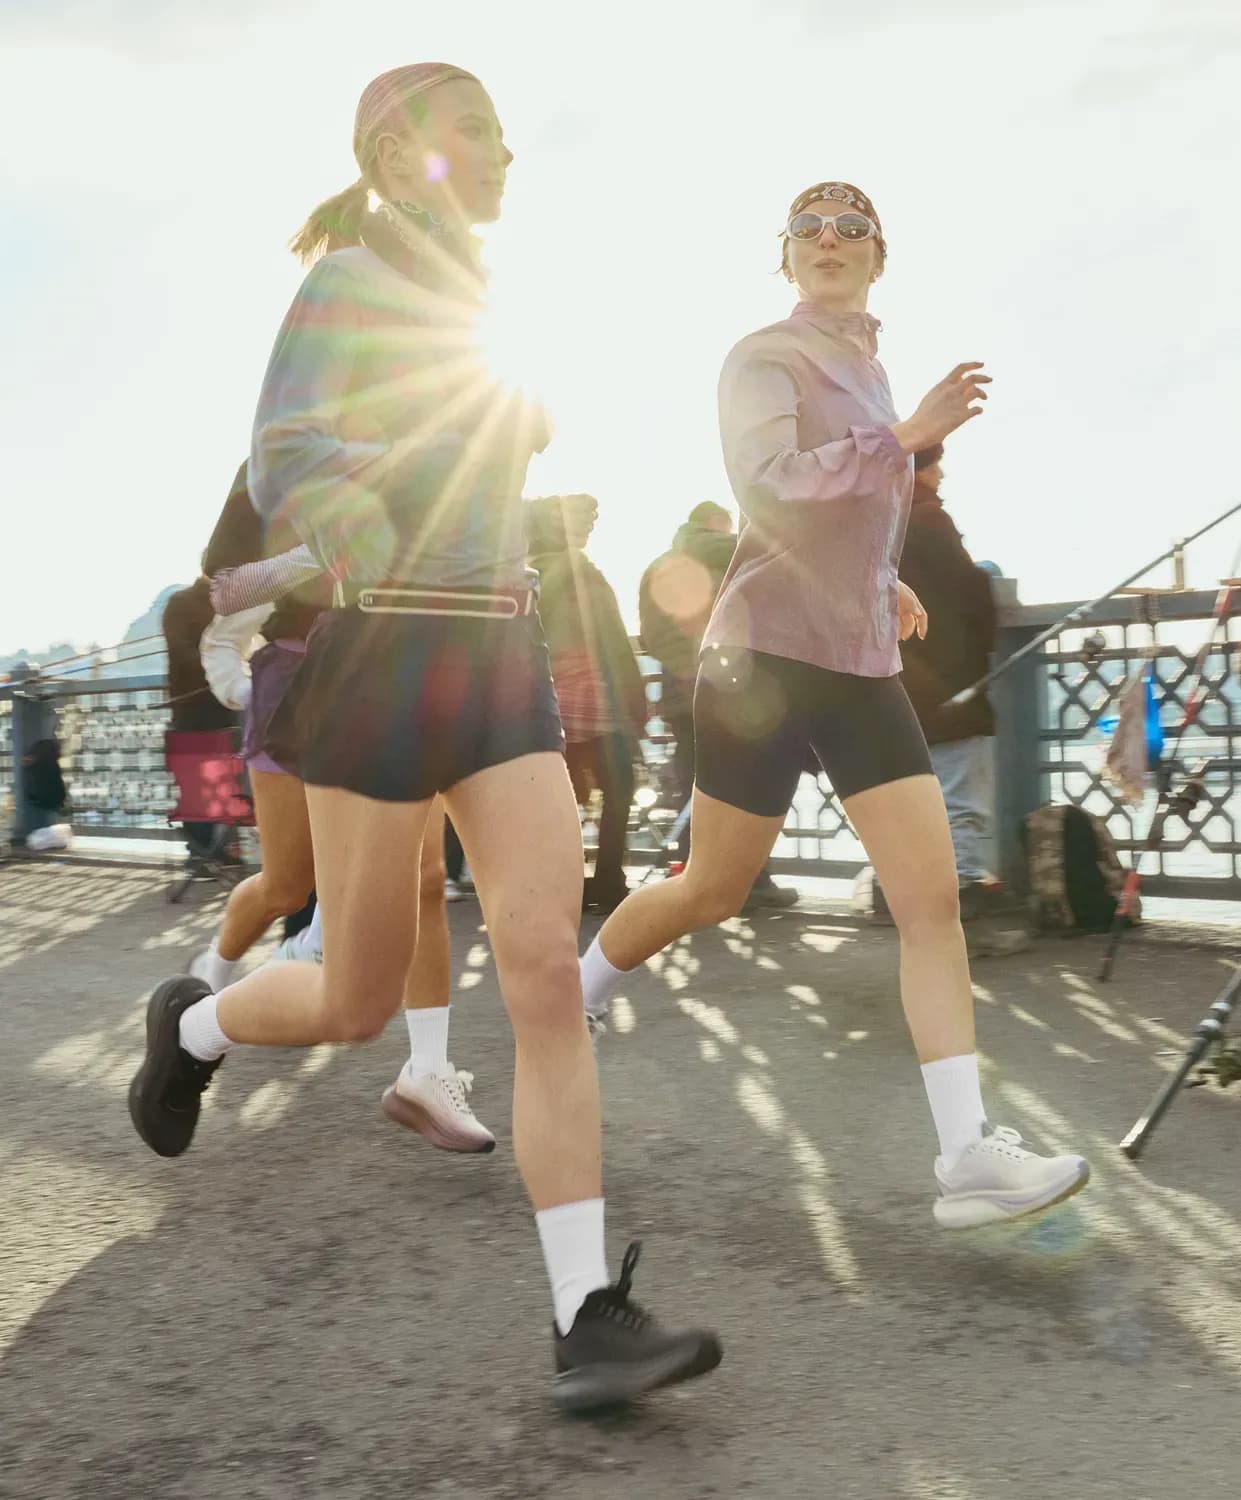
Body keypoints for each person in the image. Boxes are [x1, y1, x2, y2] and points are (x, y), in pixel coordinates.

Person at [126, 63, 720, 1409]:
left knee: (541, 971)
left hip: (494, 651)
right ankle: (201, 1025)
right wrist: (350, 505)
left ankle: (587, 1316)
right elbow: (282, 451)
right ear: (399, 154)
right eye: (477, 133)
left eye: (507, 135)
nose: (504, 152)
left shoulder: (483, 300)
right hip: (377, 653)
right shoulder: (344, 285)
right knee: (352, 994)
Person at [578, 180, 1089, 1230]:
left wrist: (879, 576)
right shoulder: (762, 355)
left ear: (877, 255)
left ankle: (963, 1155)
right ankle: (570, 998)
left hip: (856, 664)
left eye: (849, 228)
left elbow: (843, 512)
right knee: (709, 888)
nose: (827, 240)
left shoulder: (868, 367)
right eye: (806, 229)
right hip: (762, 659)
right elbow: (766, 483)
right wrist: (899, 440)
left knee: (929, 900)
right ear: (783, 256)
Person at [202, 511, 494, 1150]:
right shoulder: (280, 452)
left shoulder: (417, 445)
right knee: (287, 884)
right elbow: (223, 583)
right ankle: (204, 993)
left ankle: (427, 1068)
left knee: (425, 877)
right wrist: (334, 539)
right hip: (290, 677)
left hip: (390, 665)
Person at [638, 502, 796, 910]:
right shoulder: (732, 548)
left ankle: (695, 878)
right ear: (717, 523)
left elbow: (651, 638)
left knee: (697, 782)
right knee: (746, 783)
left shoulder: (657, 566)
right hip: (725, 685)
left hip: (677, 695)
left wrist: (681, 664)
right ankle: (753, 880)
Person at [527, 493, 646, 913]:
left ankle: (559, 881)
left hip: (544, 704)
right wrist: (636, 704)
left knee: (560, 799)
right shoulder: (585, 577)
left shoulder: (527, 577)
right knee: (618, 792)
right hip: (594, 704)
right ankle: (608, 879)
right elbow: (613, 641)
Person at [897, 444, 1000, 918]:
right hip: (950, 686)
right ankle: (963, 905)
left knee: (909, 805)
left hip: (900, 689)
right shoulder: (929, 521)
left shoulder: (881, 525)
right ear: (923, 470)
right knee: (958, 802)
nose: (942, 474)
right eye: (935, 465)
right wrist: (985, 581)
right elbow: (969, 594)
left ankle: (895, 891)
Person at [160, 578, 243, 863]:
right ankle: (201, 853)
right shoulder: (180, 604)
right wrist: (223, 667)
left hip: (224, 710)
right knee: (196, 785)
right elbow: (182, 653)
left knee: (226, 783)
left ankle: (220, 850)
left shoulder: (230, 606)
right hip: (191, 713)